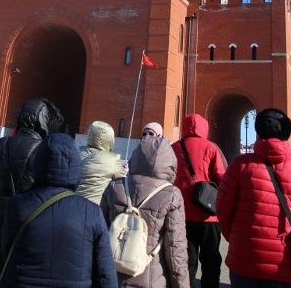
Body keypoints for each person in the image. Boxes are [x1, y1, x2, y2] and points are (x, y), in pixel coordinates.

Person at [216, 108, 291, 287]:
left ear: (258, 132)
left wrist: (237, 238)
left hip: (245, 260)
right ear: (286, 133)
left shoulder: (240, 165)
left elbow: (222, 209)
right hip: (287, 264)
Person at [0, 132, 117, 288]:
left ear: (38, 162)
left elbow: (6, 252)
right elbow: (105, 274)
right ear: (76, 166)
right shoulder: (92, 212)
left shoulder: (17, 205)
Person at [0, 98, 63, 285]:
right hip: (29, 218)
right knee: (23, 274)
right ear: (43, 120)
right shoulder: (44, 150)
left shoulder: (1, 144)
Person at [101, 134, 189, 287]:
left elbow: (100, 233)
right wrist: (182, 284)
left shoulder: (115, 186)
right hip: (151, 278)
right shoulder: (171, 194)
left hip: (111, 275)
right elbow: (176, 249)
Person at [172, 113, 226, 288]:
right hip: (208, 214)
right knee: (211, 260)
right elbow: (221, 177)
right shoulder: (211, 148)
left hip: (182, 214)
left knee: (187, 260)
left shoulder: (174, 147)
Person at [77, 120, 126, 204]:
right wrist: (125, 172)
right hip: (96, 207)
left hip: (72, 203)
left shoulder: (76, 151)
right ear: (110, 139)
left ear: (90, 134)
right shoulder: (113, 159)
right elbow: (122, 184)